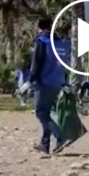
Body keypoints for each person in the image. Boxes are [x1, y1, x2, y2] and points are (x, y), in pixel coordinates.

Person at [29, 18, 70, 154]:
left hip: (44, 81)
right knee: (48, 113)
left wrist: (31, 80)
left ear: (39, 27)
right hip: (58, 82)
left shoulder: (42, 41)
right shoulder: (60, 42)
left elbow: (37, 62)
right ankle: (44, 144)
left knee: (41, 112)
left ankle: (60, 136)